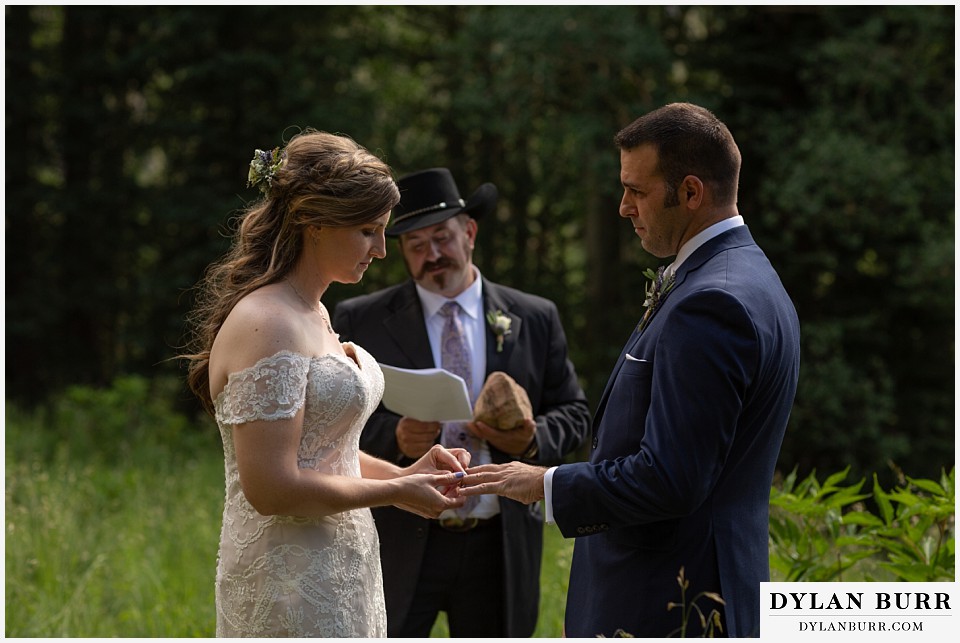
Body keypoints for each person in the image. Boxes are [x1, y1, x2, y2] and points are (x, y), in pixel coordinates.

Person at [460, 103, 801, 638]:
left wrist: (545, 483)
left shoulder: (711, 302)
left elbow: (671, 479)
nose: (623, 207)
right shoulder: (747, 275)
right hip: (706, 581)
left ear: (691, 193)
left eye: (637, 191)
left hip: (668, 599)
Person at [182, 131, 471, 637]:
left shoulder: (312, 311)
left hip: (341, 566)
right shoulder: (268, 322)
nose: (382, 250)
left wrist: (405, 478)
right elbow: (271, 487)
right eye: (367, 231)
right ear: (313, 223)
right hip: (288, 582)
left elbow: (321, 453)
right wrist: (396, 492)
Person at [332, 167, 591, 637]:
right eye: (416, 245)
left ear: (468, 232)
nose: (433, 255)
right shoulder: (361, 319)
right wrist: (394, 435)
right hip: (401, 535)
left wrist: (531, 438)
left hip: (499, 539)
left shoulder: (533, 316)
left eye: (442, 238)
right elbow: (333, 423)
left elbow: (575, 414)